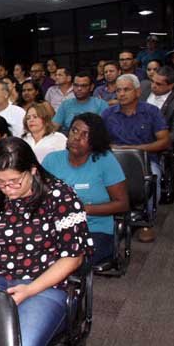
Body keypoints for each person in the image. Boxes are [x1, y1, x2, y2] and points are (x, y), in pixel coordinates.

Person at [0, 137, 91, 346]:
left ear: (32, 170)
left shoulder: (60, 196)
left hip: (44, 284)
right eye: (0, 181)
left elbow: (73, 256)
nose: (8, 189)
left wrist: (30, 289)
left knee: (21, 345)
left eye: (15, 181)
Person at [44, 113, 128, 265]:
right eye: (74, 131)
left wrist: (83, 209)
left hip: (94, 229)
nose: (77, 137)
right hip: (55, 226)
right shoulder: (52, 160)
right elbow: (39, 195)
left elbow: (122, 203)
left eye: (85, 134)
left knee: (69, 260)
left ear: (95, 139)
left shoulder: (105, 160)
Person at [102, 74, 170, 243]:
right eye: (118, 90)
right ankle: (108, 219)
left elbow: (164, 141)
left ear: (138, 92)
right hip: (114, 160)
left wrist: (133, 149)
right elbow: (99, 141)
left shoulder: (151, 112)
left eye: (126, 89)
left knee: (153, 176)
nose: (122, 94)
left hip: (145, 160)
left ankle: (147, 222)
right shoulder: (108, 113)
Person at [140, 66, 174, 143]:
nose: (153, 86)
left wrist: (156, 143)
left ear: (171, 86)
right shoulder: (143, 86)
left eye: (158, 84)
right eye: (152, 81)